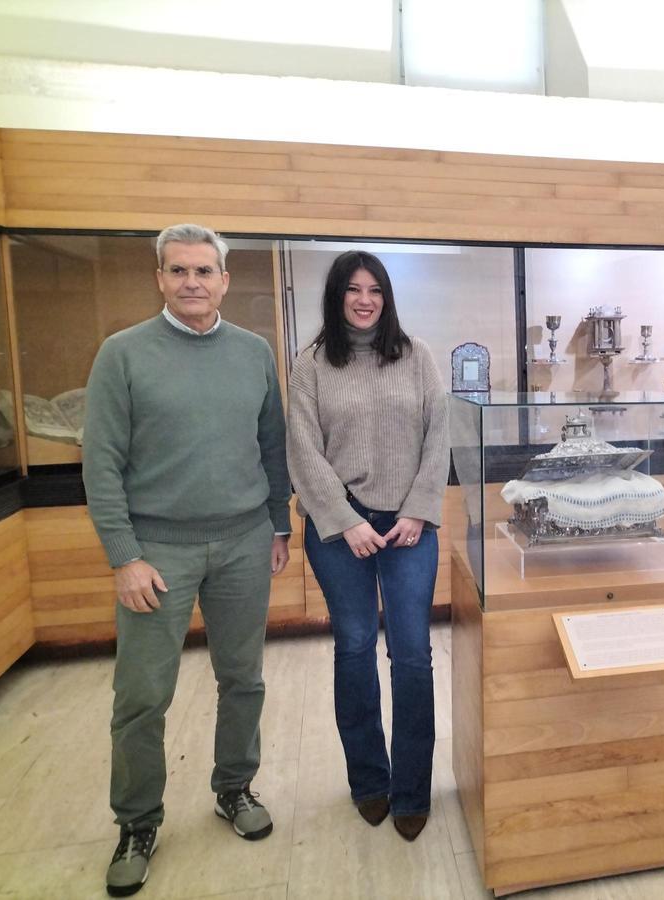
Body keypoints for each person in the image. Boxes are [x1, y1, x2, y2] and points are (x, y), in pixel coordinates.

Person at [83, 224, 292, 897]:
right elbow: (102, 464)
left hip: (243, 543)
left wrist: (278, 524)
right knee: (142, 696)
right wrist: (124, 556)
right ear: (160, 279)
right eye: (179, 271)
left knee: (244, 678)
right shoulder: (122, 355)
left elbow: (272, 447)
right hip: (157, 552)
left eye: (205, 271)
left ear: (226, 280)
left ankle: (234, 788)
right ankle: (138, 822)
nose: (192, 282)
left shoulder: (254, 353)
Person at [286, 250, 447, 841]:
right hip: (338, 531)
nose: (364, 299)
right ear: (337, 296)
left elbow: (439, 437)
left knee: (411, 655)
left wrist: (418, 510)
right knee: (353, 648)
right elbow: (302, 450)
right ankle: (369, 782)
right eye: (353, 289)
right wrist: (344, 519)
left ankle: (411, 789)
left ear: (387, 296)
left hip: (409, 529)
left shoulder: (417, 356)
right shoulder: (310, 365)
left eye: (374, 289)